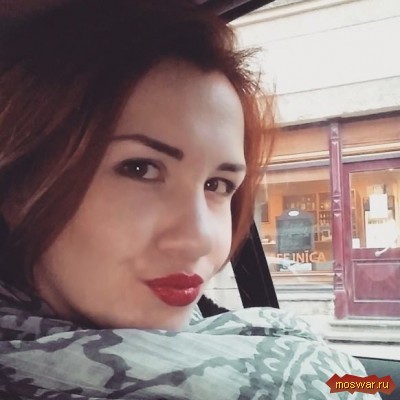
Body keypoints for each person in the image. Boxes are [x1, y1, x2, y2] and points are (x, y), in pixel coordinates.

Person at [0, 1, 380, 398]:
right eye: (140, 168)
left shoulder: (248, 336)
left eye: (217, 184)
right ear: (19, 192)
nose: (198, 240)